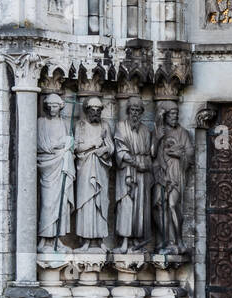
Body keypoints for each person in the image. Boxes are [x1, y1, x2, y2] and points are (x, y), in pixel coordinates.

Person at [113, 97, 153, 252]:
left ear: (141, 113)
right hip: (127, 172)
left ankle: (137, 240)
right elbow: (120, 151)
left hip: (143, 174)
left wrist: (146, 163)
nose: (135, 114)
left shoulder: (145, 130)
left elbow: (150, 154)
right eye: (132, 110)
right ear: (128, 111)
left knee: (140, 207)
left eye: (138, 111)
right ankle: (123, 242)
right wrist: (137, 163)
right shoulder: (120, 127)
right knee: (126, 205)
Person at [74, 96, 113, 248]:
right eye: (92, 110)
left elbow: (111, 147)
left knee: (101, 202)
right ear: (87, 110)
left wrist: (104, 149)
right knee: (86, 203)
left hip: (101, 167)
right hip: (85, 168)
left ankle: (100, 240)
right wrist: (94, 144)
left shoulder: (105, 126)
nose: (95, 113)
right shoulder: (80, 125)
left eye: (98, 110)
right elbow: (76, 147)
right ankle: (85, 240)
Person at [37, 93, 74, 247]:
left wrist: (68, 146)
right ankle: (44, 239)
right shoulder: (41, 122)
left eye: (55, 106)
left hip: (61, 165)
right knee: (47, 203)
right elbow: (39, 144)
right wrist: (55, 147)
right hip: (47, 165)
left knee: (61, 202)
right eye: (50, 106)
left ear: (60, 107)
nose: (52, 109)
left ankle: (57, 239)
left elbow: (70, 142)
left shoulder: (64, 123)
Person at [154, 107, 194, 253]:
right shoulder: (160, 131)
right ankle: (165, 241)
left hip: (176, 172)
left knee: (172, 205)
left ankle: (178, 241)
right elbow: (152, 152)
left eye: (176, 114)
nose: (174, 117)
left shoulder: (182, 132)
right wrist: (158, 138)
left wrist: (179, 153)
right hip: (161, 172)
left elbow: (190, 153)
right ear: (165, 116)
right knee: (159, 207)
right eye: (171, 114)